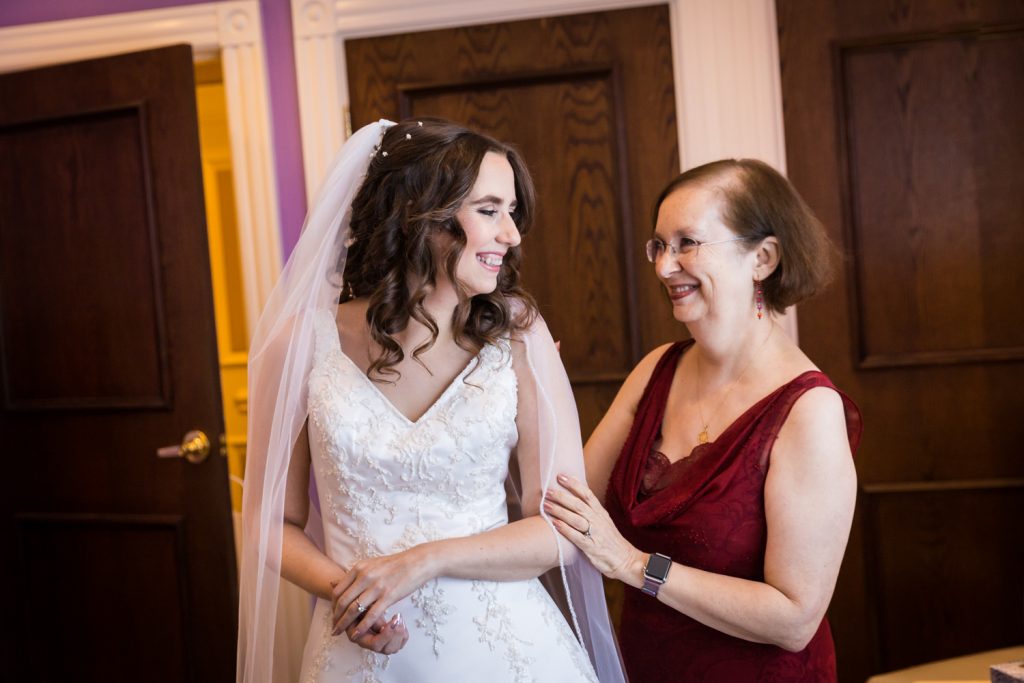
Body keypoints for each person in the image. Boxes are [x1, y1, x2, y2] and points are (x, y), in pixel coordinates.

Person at [236, 118, 625, 683]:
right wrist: (352, 598)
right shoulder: (300, 343)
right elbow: (271, 523)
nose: (512, 235)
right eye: (490, 210)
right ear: (419, 215)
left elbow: (560, 527)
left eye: (512, 212)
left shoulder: (519, 335)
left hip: (507, 649)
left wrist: (423, 561)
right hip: (363, 653)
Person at [544, 159, 863, 681]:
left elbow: (794, 618)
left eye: (687, 243)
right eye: (659, 245)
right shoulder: (656, 370)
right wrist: (533, 398)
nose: (664, 267)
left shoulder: (809, 409)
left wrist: (632, 565)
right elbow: (566, 501)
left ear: (762, 258)